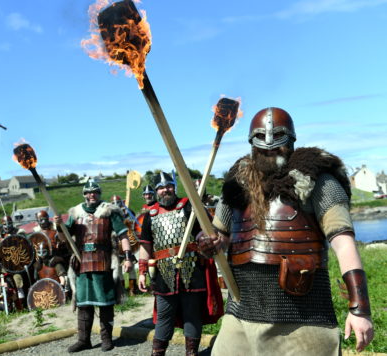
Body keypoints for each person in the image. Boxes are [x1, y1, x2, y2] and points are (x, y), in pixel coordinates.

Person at [201, 107, 374, 355]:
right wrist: (210, 242)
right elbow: (220, 236)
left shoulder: (315, 180)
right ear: (251, 142)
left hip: (301, 317)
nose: (270, 146)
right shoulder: (237, 185)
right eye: (261, 139)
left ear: (291, 140)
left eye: (278, 139)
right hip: (241, 313)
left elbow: (343, 242)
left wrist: (359, 308)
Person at [137, 172, 222, 356]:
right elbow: (146, 246)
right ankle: (157, 353)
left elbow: (205, 230)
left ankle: (191, 353)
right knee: (164, 317)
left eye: (168, 186)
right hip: (163, 274)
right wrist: (142, 271)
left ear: (174, 186)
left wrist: (204, 239)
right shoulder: (150, 215)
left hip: (191, 271)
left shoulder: (189, 207)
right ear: (156, 191)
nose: (165, 190)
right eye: (160, 187)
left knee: (192, 316)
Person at [54, 179, 134, 353]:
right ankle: (84, 340)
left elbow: (123, 236)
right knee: (83, 303)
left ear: (99, 193)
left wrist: (128, 257)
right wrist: (59, 225)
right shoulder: (75, 213)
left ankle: (106, 339)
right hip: (81, 262)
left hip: (103, 261)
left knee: (105, 303)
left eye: (95, 192)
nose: (92, 195)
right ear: (84, 195)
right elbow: (63, 238)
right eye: (88, 192)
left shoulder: (109, 211)